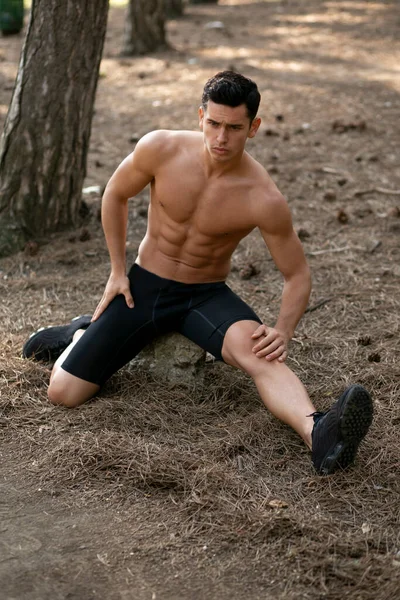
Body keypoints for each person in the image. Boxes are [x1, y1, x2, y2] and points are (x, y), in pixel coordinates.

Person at [23, 71, 373, 475]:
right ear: (201, 116)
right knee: (63, 394)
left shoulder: (263, 197)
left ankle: (320, 434)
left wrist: (283, 330)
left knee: (261, 355)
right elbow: (115, 194)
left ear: (253, 128)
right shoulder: (161, 148)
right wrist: (118, 271)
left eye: (235, 128)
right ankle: (81, 331)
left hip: (204, 295)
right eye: (214, 124)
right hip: (144, 287)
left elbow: (297, 274)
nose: (221, 138)